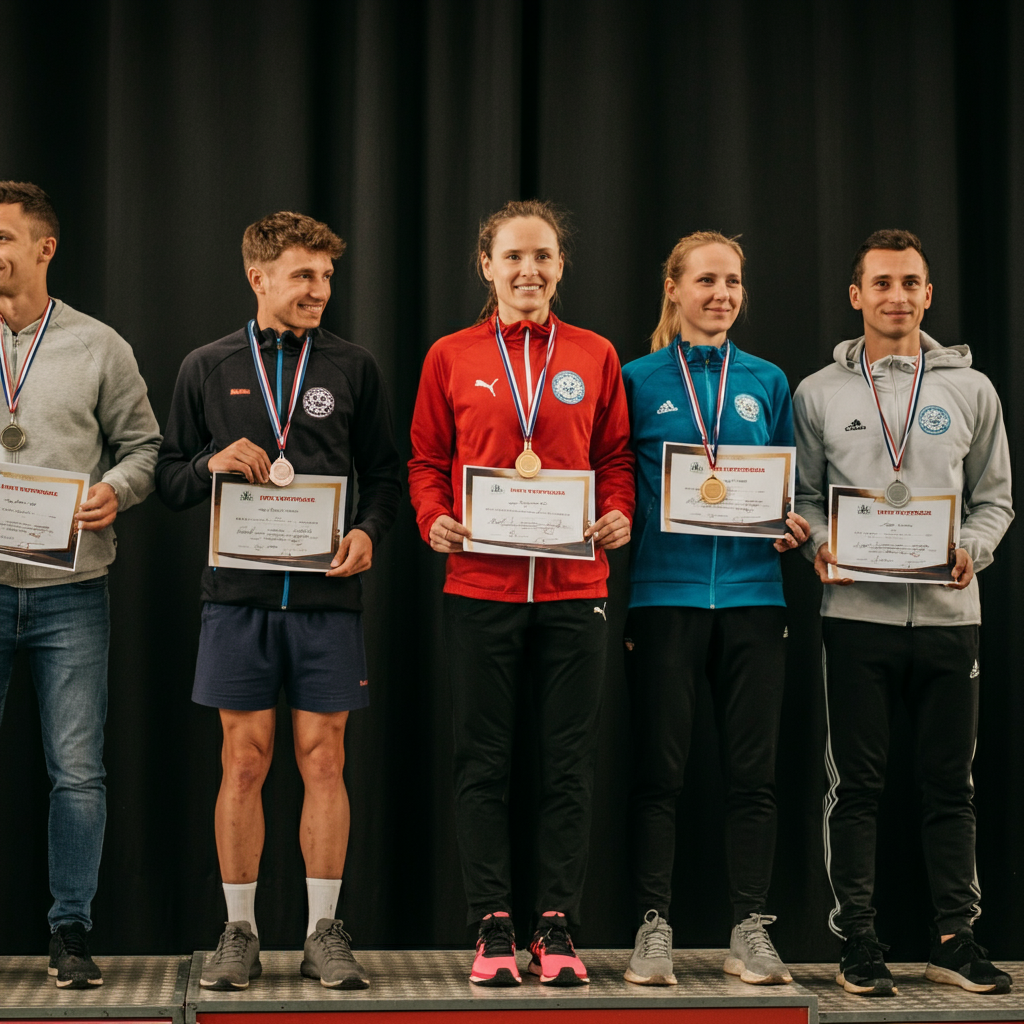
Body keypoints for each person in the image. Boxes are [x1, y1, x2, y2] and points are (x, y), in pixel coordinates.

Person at [156, 211, 400, 991]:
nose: (318, 290)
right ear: (258, 277)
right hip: (238, 599)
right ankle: (240, 930)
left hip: (328, 598)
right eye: (303, 275)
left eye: (326, 276)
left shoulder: (354, 367)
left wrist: (367, 533)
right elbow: (166, 477)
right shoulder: (208, 364)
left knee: (324, 758)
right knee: (245, 758)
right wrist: (209, 462)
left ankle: (324, 930)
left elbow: (385, 478)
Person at [408, 199, 634, 987]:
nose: (528, 271)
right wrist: (433, 518)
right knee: (485, 759)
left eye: (542, 257)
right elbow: (427, 461)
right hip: (482, 585)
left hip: (576, 587)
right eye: (513, 258)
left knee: (568, 762)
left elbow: (616, 456)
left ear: (560, 267)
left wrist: (618, 513)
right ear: (487, 266)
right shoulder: (451, 355)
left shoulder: (595, 353)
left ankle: (557, 923)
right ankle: (493, 922)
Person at [793, 229, 1013, 997]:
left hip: (953, 617)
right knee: (857, 785)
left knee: (952, 784)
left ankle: (956, 938)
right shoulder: (818, 393)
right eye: (881, 283)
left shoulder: (971, 390)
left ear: (928, 294)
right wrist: (819, 541)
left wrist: (973, 550)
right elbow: (802, 499)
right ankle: (858, 937)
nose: (897, 297)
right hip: (855, 616)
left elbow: (996, 499)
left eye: (910, 283)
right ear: (856, 296)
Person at [619, 232, 808, 988]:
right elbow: (612, 481)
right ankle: (652, 926)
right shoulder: (634, 379)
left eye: (732, 281)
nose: (721, 293)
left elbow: (796, 489)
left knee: (753, 775)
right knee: (658, 774)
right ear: (673, 287)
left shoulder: (767, 379)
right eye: (705, 280)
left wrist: (796, 522)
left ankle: (749, 929)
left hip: (755, 601)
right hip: (662, 598)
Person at [0, 182, 161, 988]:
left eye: (2, 236)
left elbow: (144, 448)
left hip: (71, 592)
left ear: (43, 248)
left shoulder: (100, 345)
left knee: (77, 770)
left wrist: (116, 491)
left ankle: (70, 933)